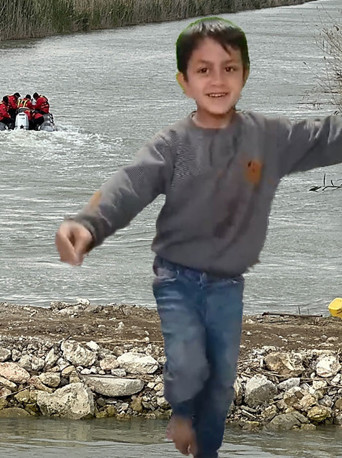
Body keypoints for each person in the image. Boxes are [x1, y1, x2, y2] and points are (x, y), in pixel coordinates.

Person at [54, 17, 342, 457]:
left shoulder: (269, 138)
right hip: (178, 278)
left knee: (222, 380)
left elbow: (326, 137)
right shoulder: (172, 145)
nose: (218, 80)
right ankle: (182, 411)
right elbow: (129, 186)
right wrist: (89, 224)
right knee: (190, 364)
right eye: (203, 70)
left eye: (229, 68)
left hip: (228, 282)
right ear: (184, 81)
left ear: (245, 74)